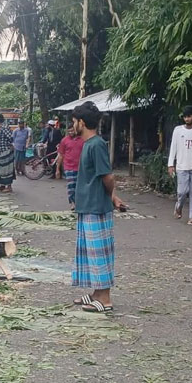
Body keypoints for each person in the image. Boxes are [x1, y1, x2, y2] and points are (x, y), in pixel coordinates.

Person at [70, 101, 127, 314]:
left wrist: (111, 196)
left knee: (100, 253)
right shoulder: (89, 144)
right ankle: (96, 293)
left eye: (75, 121)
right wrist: (114, 197)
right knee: (90, 253)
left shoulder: (96, 145)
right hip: (88, 206)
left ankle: (105, 299)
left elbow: (108, 176)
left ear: (82, 123)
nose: (73, 125)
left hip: (96, 207)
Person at [168, 105, 192, 227]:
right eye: (185, 117)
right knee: (182, 192)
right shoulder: (178, 130)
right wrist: (170, 164)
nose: (187, 119)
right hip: (181, 166)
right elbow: (173, 147)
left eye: (189, 116)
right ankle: (178, 207)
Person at [57, 124, 85, 210]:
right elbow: (61, 155)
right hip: (69, 167)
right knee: (71, 186)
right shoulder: (64, 141)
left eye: (72, 130)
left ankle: (79, 202)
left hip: (81, 167)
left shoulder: (83, 140)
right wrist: (57, 169)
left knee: (79, 186)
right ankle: (72, 203)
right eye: (69, 131)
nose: (71, 132)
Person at [0, 124, 15, 193]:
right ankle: (2, 185)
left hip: (6, 151)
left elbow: (11, 137)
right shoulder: (1, 128)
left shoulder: (5, 127)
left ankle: (9, 187)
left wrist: (11, 145)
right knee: (0, 170)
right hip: (0, 152)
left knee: (7, 170)